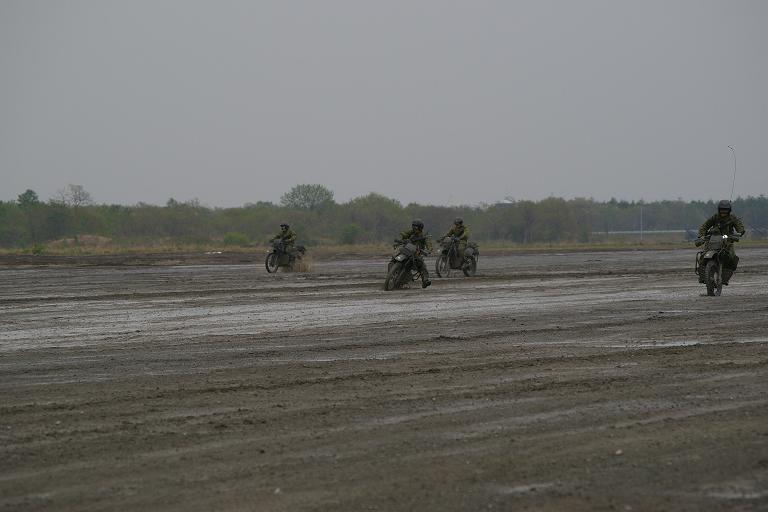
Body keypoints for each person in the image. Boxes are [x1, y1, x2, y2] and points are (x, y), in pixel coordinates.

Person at [697, 200, 745, 284]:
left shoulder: (732, 218)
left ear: (729, 210)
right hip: (713, 240)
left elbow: (740, 227)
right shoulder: (715, 217)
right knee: (703, 256)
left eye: (725, 210)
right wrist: (702, 235)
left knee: (732, 258)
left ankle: (725, 278)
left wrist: (739, 233)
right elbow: (705, 226)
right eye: (722, 210)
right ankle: (703, 276)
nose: (723, 212)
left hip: (727, 240)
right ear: (719, 210)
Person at [398, 219, 433, 288]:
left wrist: (429, 250)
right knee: (394, 258)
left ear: (420, 228)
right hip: (406, 250)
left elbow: (428, 242)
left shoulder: (424, 235)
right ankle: (391, 275)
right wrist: (402, 238)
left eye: (416, 227)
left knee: (422, 265)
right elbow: (404, 234)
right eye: (413, 227)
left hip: (416, 253)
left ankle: (425, 280)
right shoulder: (411, 232)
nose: (414, 229)